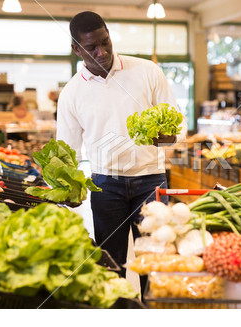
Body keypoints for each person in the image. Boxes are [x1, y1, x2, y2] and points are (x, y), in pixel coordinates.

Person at [56, 11, 187, 293]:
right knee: (110, 266)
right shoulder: (72, 93)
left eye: (106, 42)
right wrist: (68, 187)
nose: (102, 52)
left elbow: (180, 122)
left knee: (155, 263)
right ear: (76, 49)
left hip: (151, 181)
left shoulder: (147, 71)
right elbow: (67, 152)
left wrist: (171, 137)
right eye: (91, 48)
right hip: (106, 185)